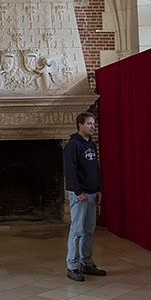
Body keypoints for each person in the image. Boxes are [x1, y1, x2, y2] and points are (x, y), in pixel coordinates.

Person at [62, 111, 105, 282]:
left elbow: (95, 169)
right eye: (89, 124)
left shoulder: (91, 145)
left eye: (93, 124)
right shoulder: (73, 145)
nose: (92, 126)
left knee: (88, 230)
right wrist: (78, 192)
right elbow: (70, 171)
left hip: (92, 193)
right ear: (80, 125)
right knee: (77, 230)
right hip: (80, 195)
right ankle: (72, 266)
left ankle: (86, 263)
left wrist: (99, 189)